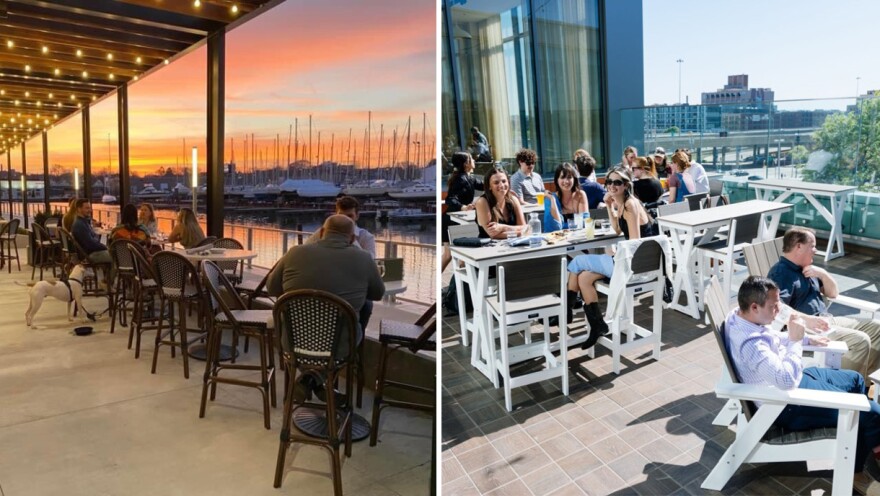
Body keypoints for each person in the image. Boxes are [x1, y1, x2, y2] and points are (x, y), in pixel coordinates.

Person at [725, 276, 880, 494]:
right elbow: (786, 380)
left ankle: (861, 450)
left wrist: (805, 340)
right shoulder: (751, 344)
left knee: (855, 380)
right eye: (774, 306)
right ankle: (861, 465)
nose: (779, 310)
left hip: (796, 381)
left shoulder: (739, 317)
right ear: (753, 306)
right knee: (871, 411)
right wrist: (796, 341)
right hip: (786, 404)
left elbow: (772, 338)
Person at [266, 215, 385, 402]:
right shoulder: (363, 258)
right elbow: (377, 294)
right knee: (358, 323)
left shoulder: (295, 253)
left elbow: (271, 288)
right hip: (340, 345)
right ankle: (317, 380)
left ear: (321, 233)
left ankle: (309, 378)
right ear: (353, 239)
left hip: (292, 340)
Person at [767, 227, 880, 379]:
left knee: (877, 328)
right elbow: (776, 307)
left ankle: (863, 381)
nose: (816, 250)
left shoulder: (807, 269)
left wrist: (823, 273)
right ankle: (841, 384)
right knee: (860, 341)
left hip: (826, 320)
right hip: (809, 329)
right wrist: (808, 320)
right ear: (798, 247)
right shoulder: (781, 273)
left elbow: (833, 293)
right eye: (812, 246)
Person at [567, 167, 656, 348]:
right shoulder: (624, 203)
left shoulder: (630, 204)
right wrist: (609, 205)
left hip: (632, 267)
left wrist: (615, 253)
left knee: (576, 262)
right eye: (609, 182)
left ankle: (565, 310)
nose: (612, 186)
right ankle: (597, 326)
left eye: (618, 182)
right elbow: (616, 230)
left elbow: (634, 241)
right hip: (632, 264)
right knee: (584, 278)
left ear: (626, 185)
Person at [442, 152, 484, 271]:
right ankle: (456, 286)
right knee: (458, 257)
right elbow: (449, 199)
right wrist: (463, 207)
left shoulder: (468, 177)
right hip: (452, 221)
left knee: (450, 256)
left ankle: (457, 286)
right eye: (471, 159)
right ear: (466, 164)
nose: (474, 161)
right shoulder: (460, 179)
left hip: (455, 220)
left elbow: (484, 185)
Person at [305, 195, 376, 258]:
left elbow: (371, 263)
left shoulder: (366, 237)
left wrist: (352, 240)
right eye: (341, 215)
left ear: (357, 216)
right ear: (336, 215)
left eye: (349, 216)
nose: (345, 219)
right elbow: (306, 250)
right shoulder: (322, 232)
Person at [475, 168, 527, 239]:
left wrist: (503, 227)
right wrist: (519, 232)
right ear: (489, 186)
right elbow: (493, 235)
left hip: (513, 245)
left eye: (504, 181)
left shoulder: (513, 200)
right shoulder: (482, 202)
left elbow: (525, 228)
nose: (501, 185)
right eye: (496, 182)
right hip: (489, 248)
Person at [543, 163, 587, 232]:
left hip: (578, 238)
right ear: (557, 180)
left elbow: (585, 223)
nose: (566, 181)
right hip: (557, 240)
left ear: (574, 179)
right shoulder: (550, 198)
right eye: (562, 177)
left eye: (569, 177)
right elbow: (553, 228)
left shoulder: (580, 195)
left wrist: (564, 226)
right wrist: (553, 200)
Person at [70, 199, 112, 267]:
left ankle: (108, 276)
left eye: (90, 208)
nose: (90, 210)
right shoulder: (80, 225)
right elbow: (91, 244)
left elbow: (94, 239)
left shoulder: (82, 222)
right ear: (79, 209)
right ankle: (111, 277)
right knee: (117, 257)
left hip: (89, 253)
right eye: (87, 208)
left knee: (116, 254)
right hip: (89, 255)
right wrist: (106, 247)